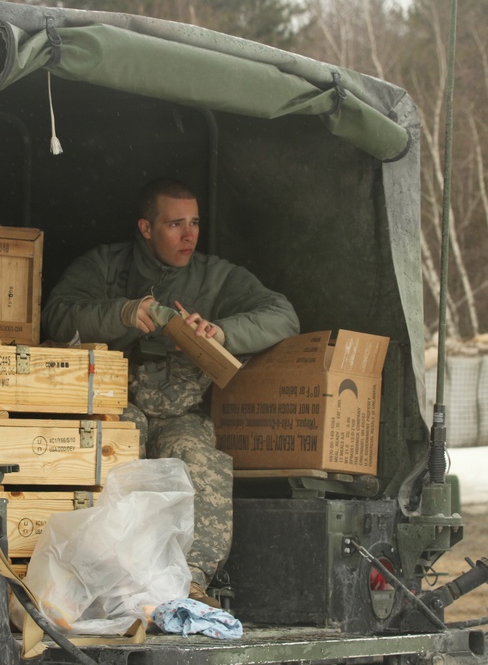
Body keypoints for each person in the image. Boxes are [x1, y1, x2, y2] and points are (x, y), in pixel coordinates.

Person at [41, 178, 299, 607]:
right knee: (116, 449)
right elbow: (57, 315)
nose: (189, 235)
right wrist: (123, 313)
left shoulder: (217, 277)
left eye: (195, 222)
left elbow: (283, 315)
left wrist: (220, 332)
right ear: (146, 228)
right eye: (175, 223)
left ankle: (190, 583)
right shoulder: (105, 265)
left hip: (179, 411)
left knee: (202, 460)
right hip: (115, 402)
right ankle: (107, 580)